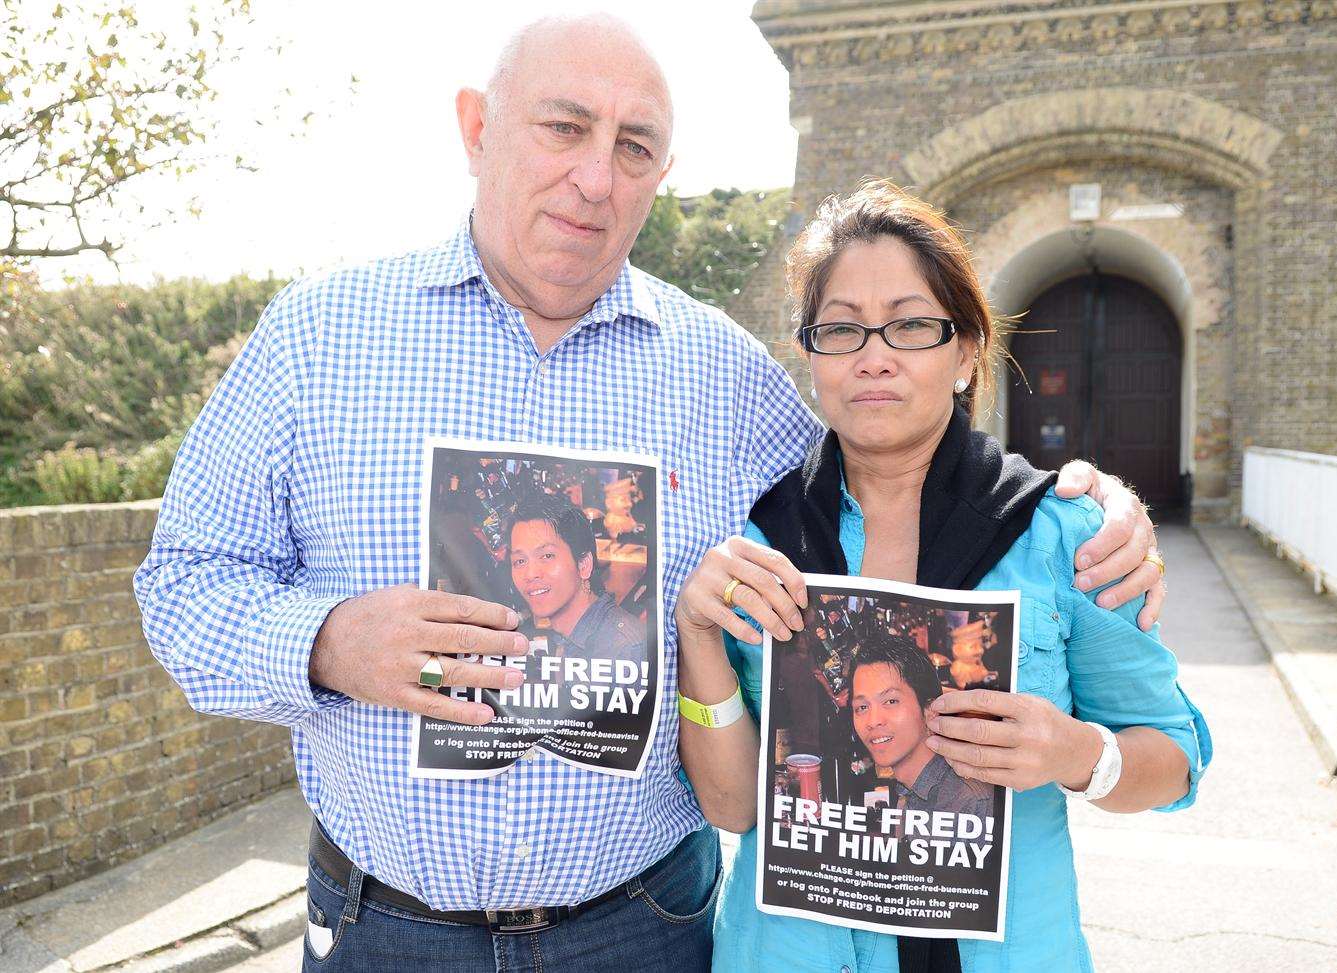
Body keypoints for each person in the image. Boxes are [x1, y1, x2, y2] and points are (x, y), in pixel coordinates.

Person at [134, 14, 1165, 972]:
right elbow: (181, 587)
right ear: (476, 128)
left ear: (661, 174)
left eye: (633, 147)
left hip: (644, 930)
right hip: (385, 928)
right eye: (563, 128)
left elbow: (892, 469)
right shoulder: (316, 341)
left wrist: (1085, 498)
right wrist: (326, 642)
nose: (594, 176)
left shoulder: (722, 372)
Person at [675, 179, 1211, 972]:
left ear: (965, 352)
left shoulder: (1060, 534)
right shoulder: (763, 542)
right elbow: (730, 806)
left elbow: (1172, 758)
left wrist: (1076, 753)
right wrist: (698, 635)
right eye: (842, 330)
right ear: (810, 353)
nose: (874, 357)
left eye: (911, 325)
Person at [847, 632, 996, 826]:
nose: (873, 721)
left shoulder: (964, 804)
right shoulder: (909, 789)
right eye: (862, 707)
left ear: (930, 711)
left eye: (891, 701)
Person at [503, 489, 645, 663]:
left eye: (547, 556)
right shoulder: (565, 635)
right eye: (520, 561)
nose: (530, 574)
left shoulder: (624, 650)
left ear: (583, 564)